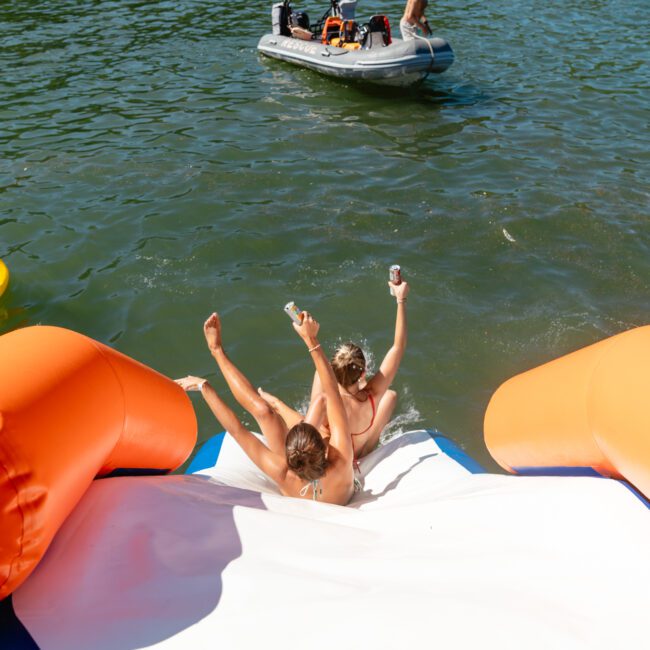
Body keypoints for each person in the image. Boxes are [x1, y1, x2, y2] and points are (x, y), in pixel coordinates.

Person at [176, 311, 355, 505]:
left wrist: (205, 388)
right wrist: (310, 339)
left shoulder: (284, 473)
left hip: (299, 479)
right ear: (323, 446)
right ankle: (216, 350)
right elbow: (333, 393)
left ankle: (216, 350)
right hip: (327, 480)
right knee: (266, 410)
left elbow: (237, 431)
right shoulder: (341, 460)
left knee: (263, 411)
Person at [259, 278, 409, 467]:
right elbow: (398, 346)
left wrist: (310, 338)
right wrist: (400, 299)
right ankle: (368, 447)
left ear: (333, 373)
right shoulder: (372, 396)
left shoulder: (328, 403)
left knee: (294, 405)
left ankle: (276, 403)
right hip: (359, 451)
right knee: (389, 396)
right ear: (363, 373)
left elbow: (303, 437)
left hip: (335, 457)